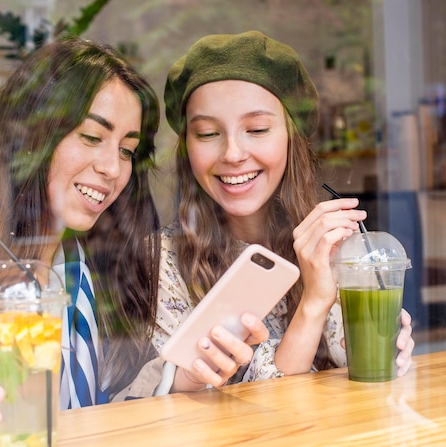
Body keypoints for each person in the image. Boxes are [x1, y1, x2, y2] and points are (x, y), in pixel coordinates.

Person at [0, 37, 270, 443]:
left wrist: (178, 377)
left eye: (126, 150)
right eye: (92, 137)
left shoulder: (100, 263)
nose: (112, 169)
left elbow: (94, 414)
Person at [152, 31, 414, 388]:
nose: (232, 153)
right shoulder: (161, 263)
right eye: (208, 133)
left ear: (292, 138)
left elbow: (364, 375)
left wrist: (389, 347)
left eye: (257, 129)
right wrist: (313, 303)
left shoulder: (330, 246)